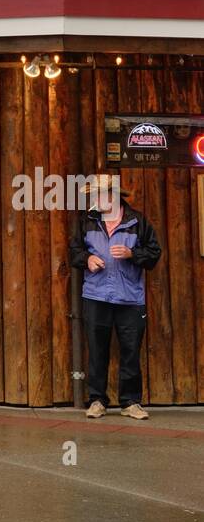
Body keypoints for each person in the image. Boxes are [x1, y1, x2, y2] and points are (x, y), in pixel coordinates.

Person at [69, 173, 161, 420]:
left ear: (113, 196)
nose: (96, 200)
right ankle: (97, 400)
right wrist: (86, 259)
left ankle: (130, 403)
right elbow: (74, 252)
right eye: (94, 195)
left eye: (100, 194)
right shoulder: (87, 221)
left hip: (130, 298)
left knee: (131, 350)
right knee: (97, 350)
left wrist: (132, 253)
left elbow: (154, 254)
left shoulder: (137, 221)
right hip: (96, 296)